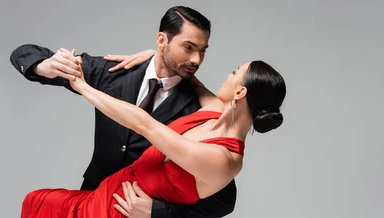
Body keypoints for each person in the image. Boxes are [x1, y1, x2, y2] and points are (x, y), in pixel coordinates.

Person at [9, 5, 237, 218]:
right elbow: (23, 53)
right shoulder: (113, 73)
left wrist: (156, 212)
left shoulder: (198, 112)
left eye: (202, 51)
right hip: (89, 200)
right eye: (188, 48)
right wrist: (46, 66)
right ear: (162, 40)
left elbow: (224, 200)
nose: (197, 59)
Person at [20, 48, 287, 218]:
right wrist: (157, 56)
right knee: (36, 201)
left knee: (39, 203)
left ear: (240, 92)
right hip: (101, 194)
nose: (227, 76)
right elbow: (192, 81)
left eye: (234, 73)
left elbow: (144, 124)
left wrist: (83, 87)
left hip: (116, 212)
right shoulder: (216, 109)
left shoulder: (223, 159)